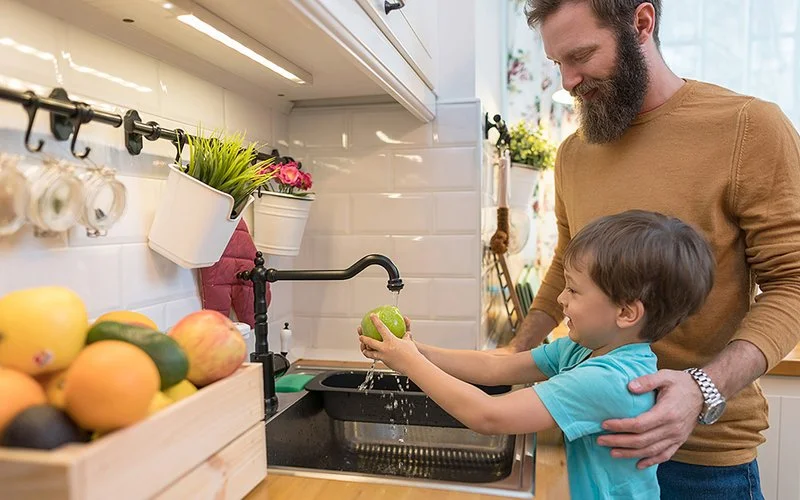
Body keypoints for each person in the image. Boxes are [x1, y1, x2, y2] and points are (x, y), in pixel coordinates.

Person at [494, 0, 800, 498]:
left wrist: (701, 390)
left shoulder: (750, 128)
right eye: (557, 64)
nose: (568, 81)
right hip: (597, 441)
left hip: (703, 460)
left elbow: (792, 283)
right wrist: (516, 354)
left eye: (581, 56)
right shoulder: (574, 153)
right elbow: (565, 267)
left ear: (641, 23)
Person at [359, 210, 716, 500]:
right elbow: (497, 367)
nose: (561, 299)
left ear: (626, 313)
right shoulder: (585, 348)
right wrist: (414, 348)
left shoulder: (612, 380)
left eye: (574, 290)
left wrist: (409, 362)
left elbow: (489, 416)